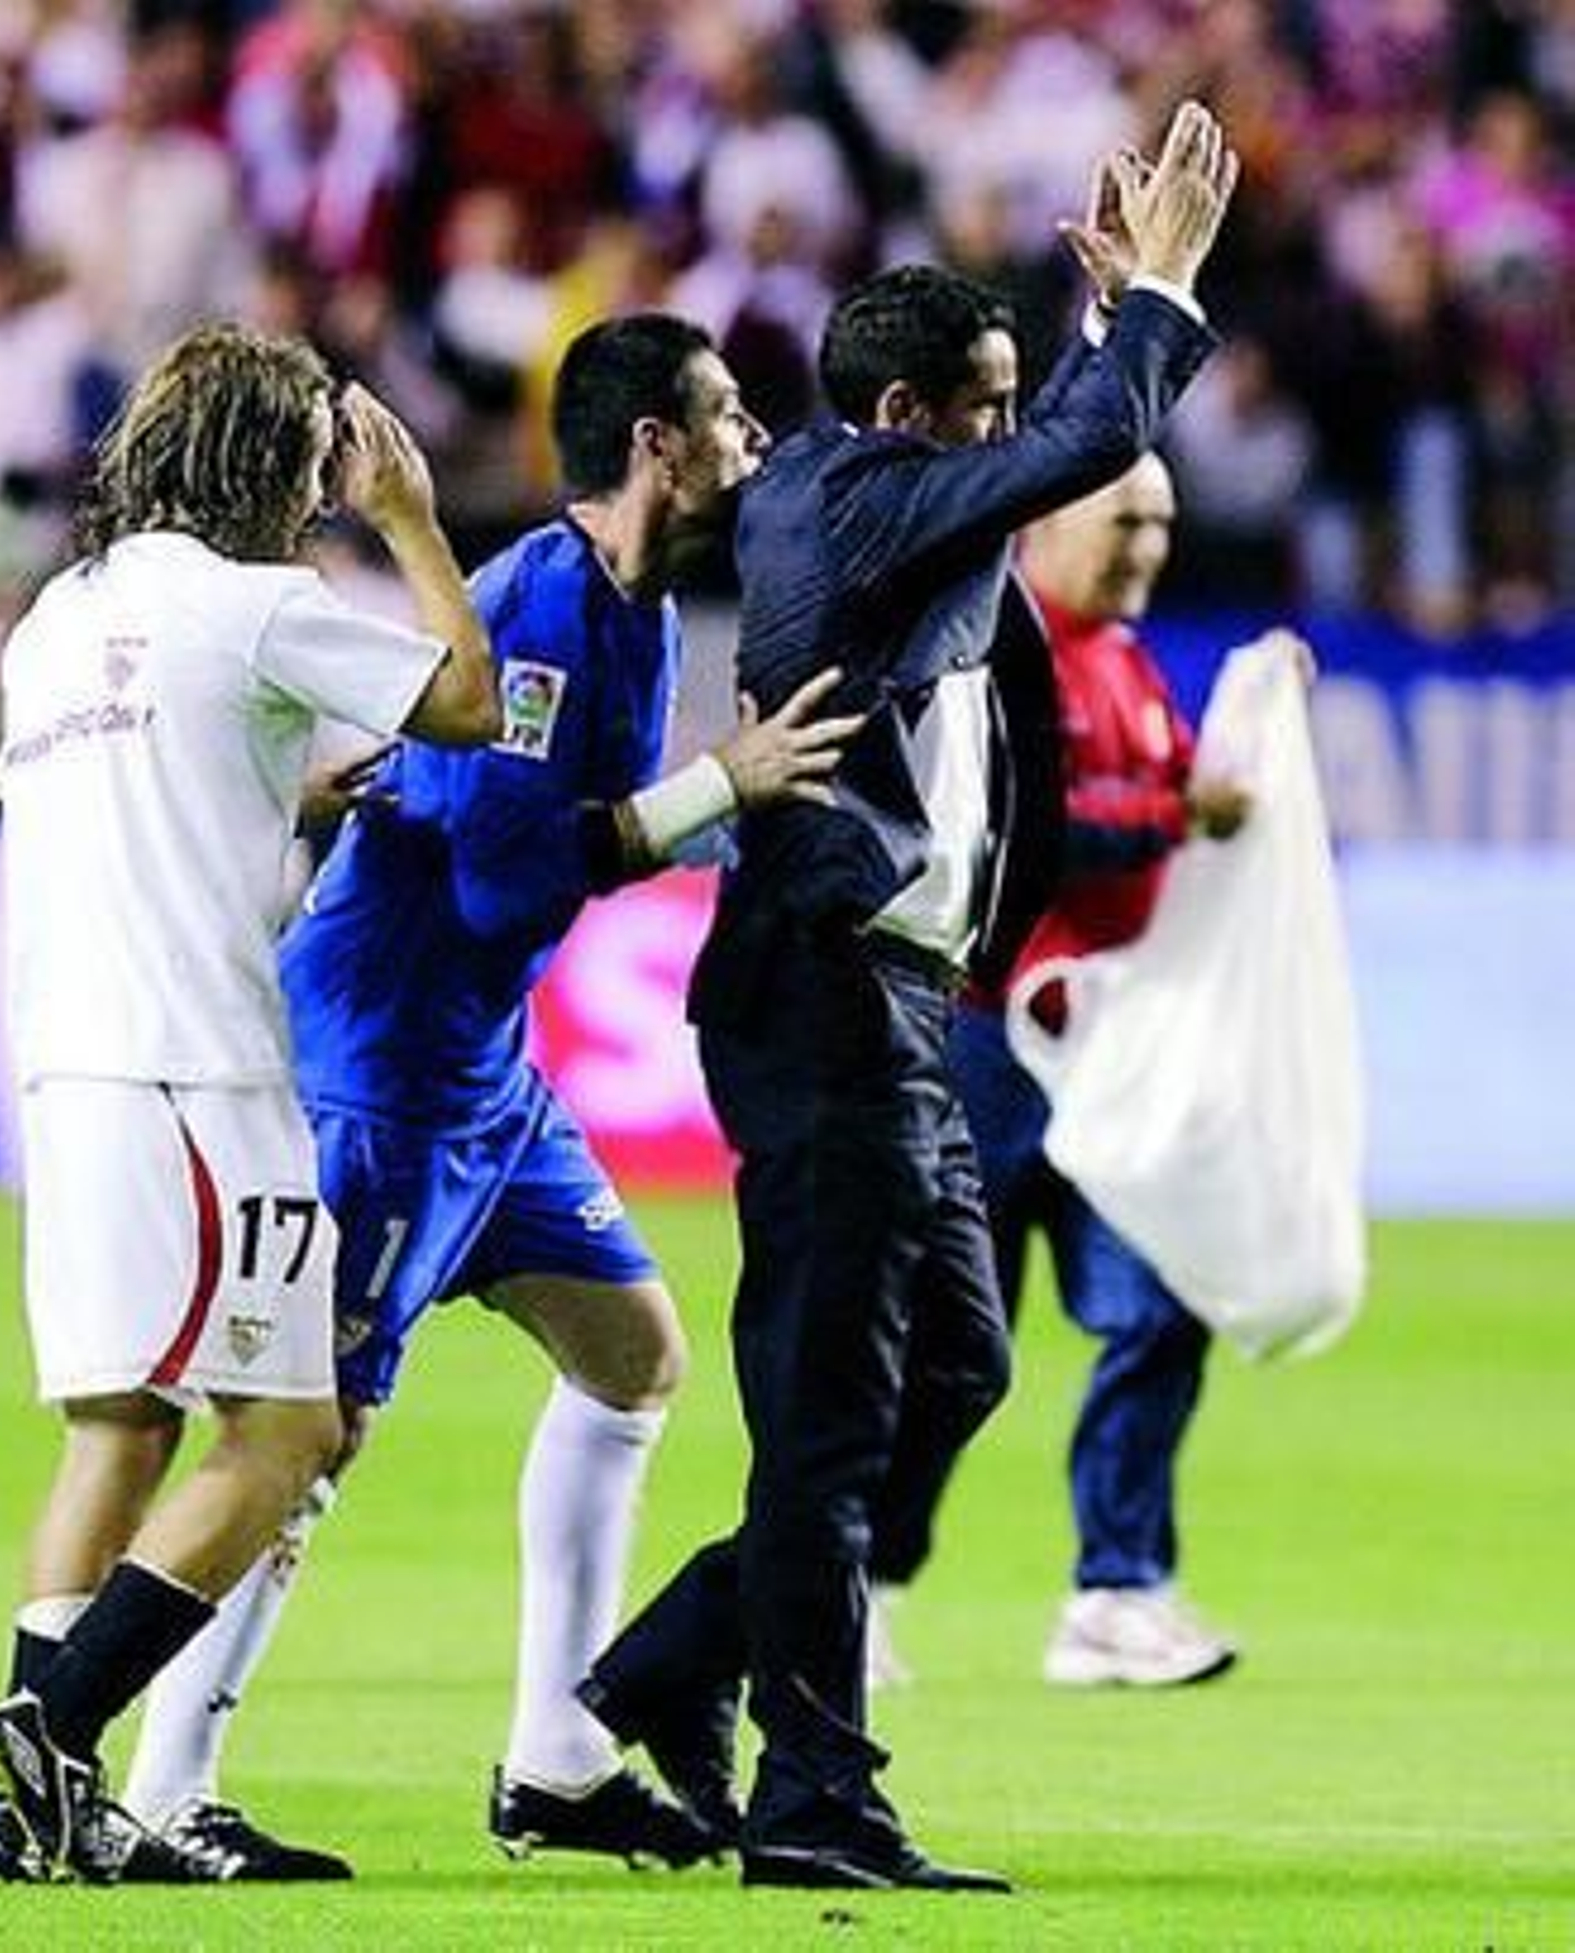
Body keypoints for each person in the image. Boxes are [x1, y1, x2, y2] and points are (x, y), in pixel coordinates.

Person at [95, 312, 858, 1881]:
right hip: (378, 1073)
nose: (755, 442)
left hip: (483, 1073)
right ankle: (170, 1786)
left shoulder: (631, 605)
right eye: (729, 415)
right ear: (656, 443)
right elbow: (513, 881)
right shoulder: (532, 618)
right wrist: (727, 787)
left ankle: (557, 1762)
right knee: (307, 1432)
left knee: (633, 1357)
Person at [577, 102, 1239, 1892]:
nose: (1016, 439)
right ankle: (814, 1801)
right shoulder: (856, 497)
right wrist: (1154, 304)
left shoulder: (879, 499)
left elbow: (1063, 445)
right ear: (899, 424)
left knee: (955, 1358)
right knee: (837, 1410)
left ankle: (665, 1665)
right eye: (988, 405)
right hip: (822, 998)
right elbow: (1088, 449)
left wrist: (1100, 330)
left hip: (905, 1004)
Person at [0, 321, 502, 1885]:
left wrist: (285, 794)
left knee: (119, 1429)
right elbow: (471, 702)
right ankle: (52, 1727)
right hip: (198, 1072)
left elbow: (138, 796)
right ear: (279, 471)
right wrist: (407, 517)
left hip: (62, 1074)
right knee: (287, 1432)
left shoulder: (57, 621)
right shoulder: (267, 603)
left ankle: (38, 1819)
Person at [867, 452, 1254, 1691]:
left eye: (1161, 522)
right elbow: (1021, 834)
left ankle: (1116, 1591)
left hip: (1106, 1050)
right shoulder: (1000, 649)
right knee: (949, 1341)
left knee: (1158, 1300)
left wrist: (1262, 716)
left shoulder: (1130, 664)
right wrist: (1174, 818)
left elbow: (1187, 796)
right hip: (987, 1043)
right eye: (1124, 518)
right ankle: (860, 1583)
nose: (1147, 545)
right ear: (1045, 523)